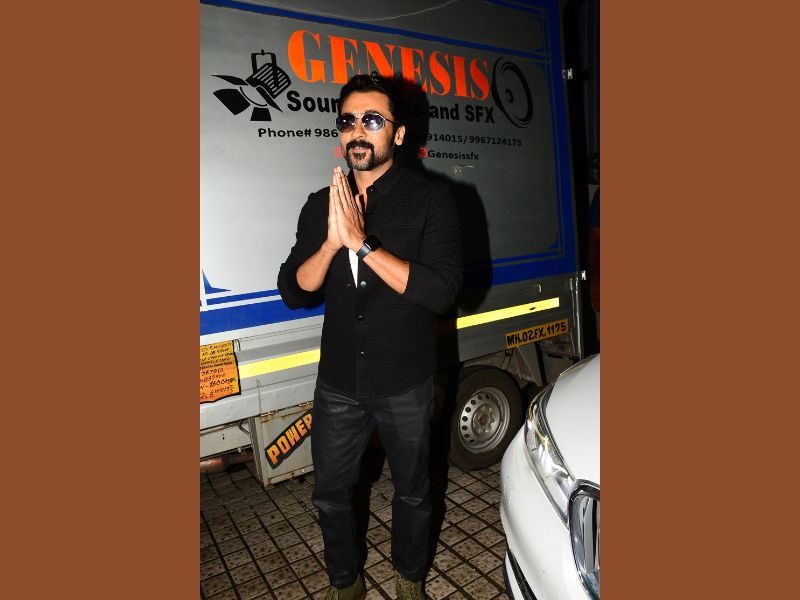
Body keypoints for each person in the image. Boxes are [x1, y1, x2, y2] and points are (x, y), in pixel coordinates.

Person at [277, 74, 462, 600]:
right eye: (349, 121)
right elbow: (294, 289)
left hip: (405, 380)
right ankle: (346, 582)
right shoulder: (320, 204)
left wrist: (362, 244)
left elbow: (443, 291)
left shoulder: (432, 200)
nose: (358, 131)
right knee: (330, 495)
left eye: (372, 120)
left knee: (413, 493)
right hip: (338, 383)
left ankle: (409, 578)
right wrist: (332, 243)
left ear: (397, 134)